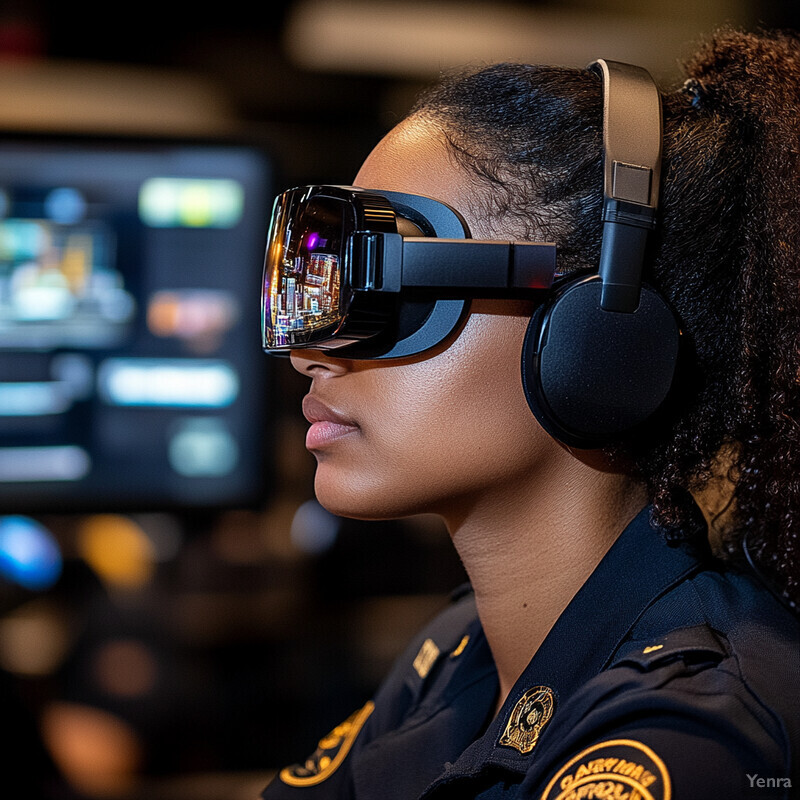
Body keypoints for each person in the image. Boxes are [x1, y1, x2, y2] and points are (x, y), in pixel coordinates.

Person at [260, 28, 800, 800]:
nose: (315, 356)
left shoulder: (690, 738)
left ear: (598, 333)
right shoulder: (456, 657)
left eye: (380, 293)